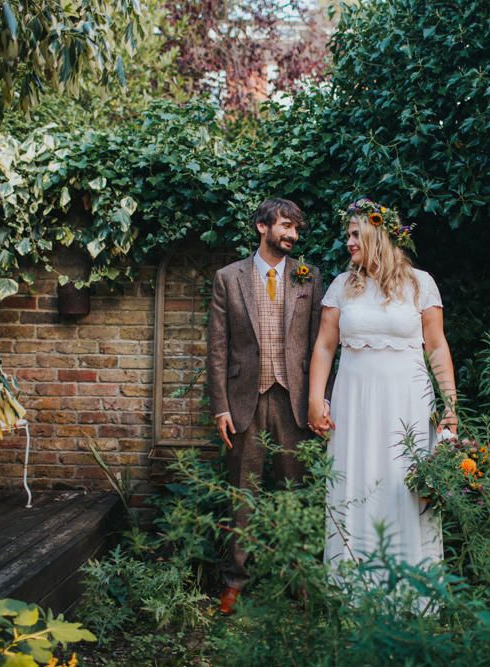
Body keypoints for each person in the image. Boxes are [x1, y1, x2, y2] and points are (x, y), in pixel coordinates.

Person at [307, 197, 457, 569]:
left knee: (403, 483)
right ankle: (352, 581)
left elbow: (437, 348)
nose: (349, 243)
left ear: (379, 234)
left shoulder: (420, 284)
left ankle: (410, 582)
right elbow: (325, 347)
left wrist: (450, 406)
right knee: (355, 482)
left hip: (407, 402)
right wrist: (315, 399)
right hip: (354, 403)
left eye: (356, 234)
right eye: (348, 236)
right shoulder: (342, 286)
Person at [207, 198, 325, 613]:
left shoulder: (309, 277)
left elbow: (319, 347)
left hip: (294, 404)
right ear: (262, 226)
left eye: (296, 228)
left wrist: (317, 400)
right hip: (245, 402)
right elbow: (217, 347)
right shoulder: (228, 278)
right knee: (243, 493)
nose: (292, 235)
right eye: (285, 226)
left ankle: (299, 576)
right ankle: (235, 580)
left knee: (295, 489)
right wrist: (220, 406)